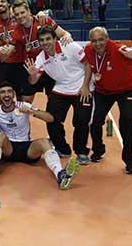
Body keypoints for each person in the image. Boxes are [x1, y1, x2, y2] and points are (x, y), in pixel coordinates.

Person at [0, 81, 80, 190]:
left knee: (44, 142)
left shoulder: (24, 106)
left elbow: (50, 118)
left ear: (14, 94)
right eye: (2, 92)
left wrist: (31, 111)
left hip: (27, 148)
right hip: (9, 148)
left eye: (9, 92)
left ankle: (60, 174)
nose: (6, 95)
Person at [82, 27, 132, 174]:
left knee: (127, 121)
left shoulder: (118, 49)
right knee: (94, 121)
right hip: (103, 91)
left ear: (107, 39)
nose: (98, 44)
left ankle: (130, 160)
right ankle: (98, 150)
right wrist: (85, 85)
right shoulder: (88, 50)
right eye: (94, 40)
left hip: (126, 89)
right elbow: (88, 66)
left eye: (101, 40)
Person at [25, 26, 93, 163]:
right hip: (61, 88)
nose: (45, 43)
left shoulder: (70, 46)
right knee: (51, 119)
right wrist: (32, 75)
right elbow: (33, 81)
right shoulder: (40, 58)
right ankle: (63, 149)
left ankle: (81, 152)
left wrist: (85, 86)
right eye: (42, 40)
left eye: (48, 39)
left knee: (81, 120)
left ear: (55, 39)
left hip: (81, 87)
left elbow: (88, 64)